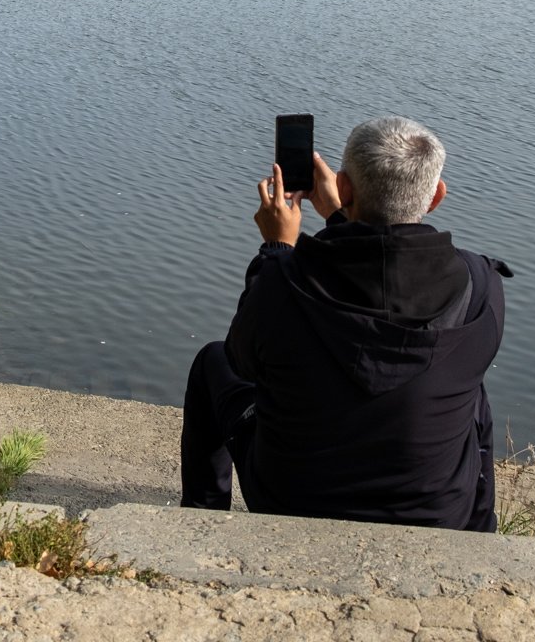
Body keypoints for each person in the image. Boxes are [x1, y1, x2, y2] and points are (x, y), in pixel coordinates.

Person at [180, 116, 511, 530]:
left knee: (214, 362)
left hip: (290, 499)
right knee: (467, 386)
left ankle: (200, 522)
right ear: (436, 196)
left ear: (345, 186)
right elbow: (388, 285)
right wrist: (340, 217)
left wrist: (276, 247)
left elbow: (242, 360)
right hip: (437, 513)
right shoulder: (479, 286)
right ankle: (481, 532)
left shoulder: (285, 278)